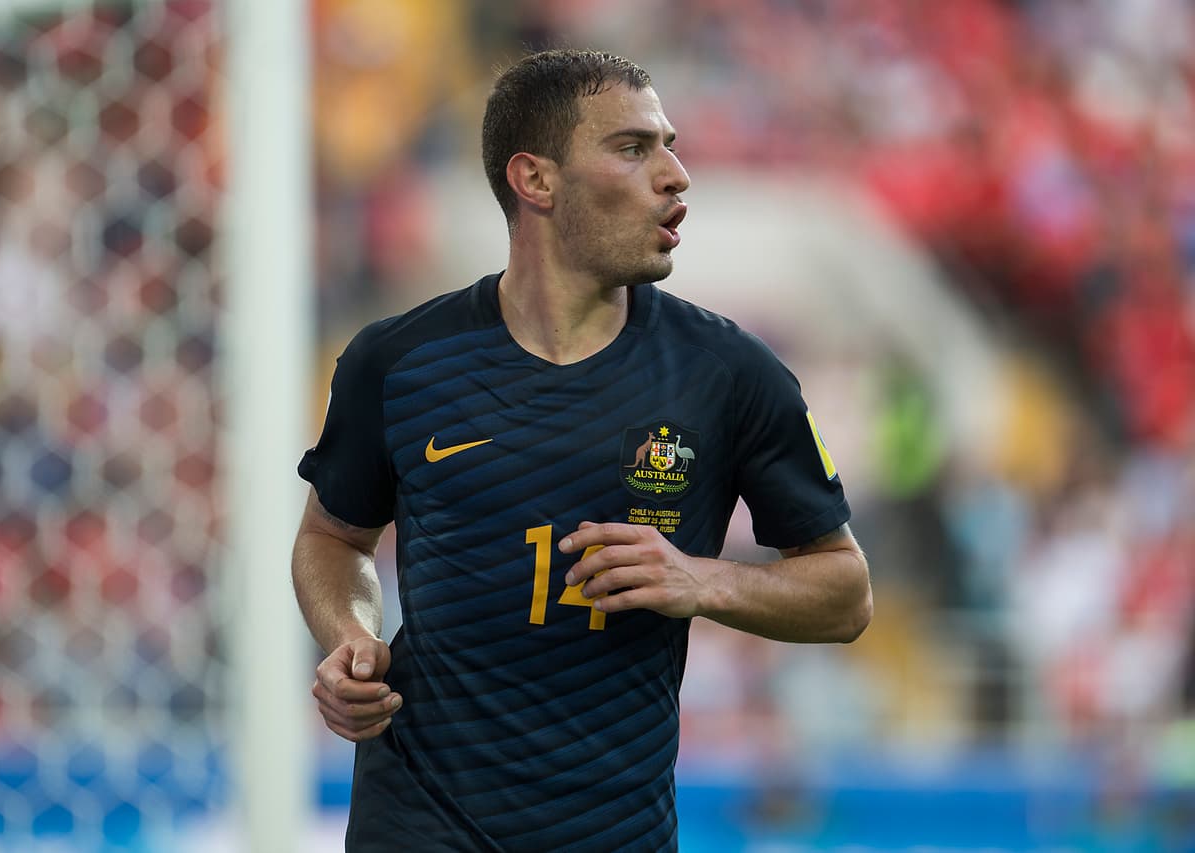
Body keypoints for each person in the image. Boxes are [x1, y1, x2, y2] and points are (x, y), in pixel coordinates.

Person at [293, 48, 873, 852]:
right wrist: (351, 637)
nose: (676, 175)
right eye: (634, 149)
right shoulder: (396, 362)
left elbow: (847, 593)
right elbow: (332, 537)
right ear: (536, 180)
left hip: (613, 834)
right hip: (416, 825)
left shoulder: (730, 375)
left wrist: (700, 578)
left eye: (669, 145)